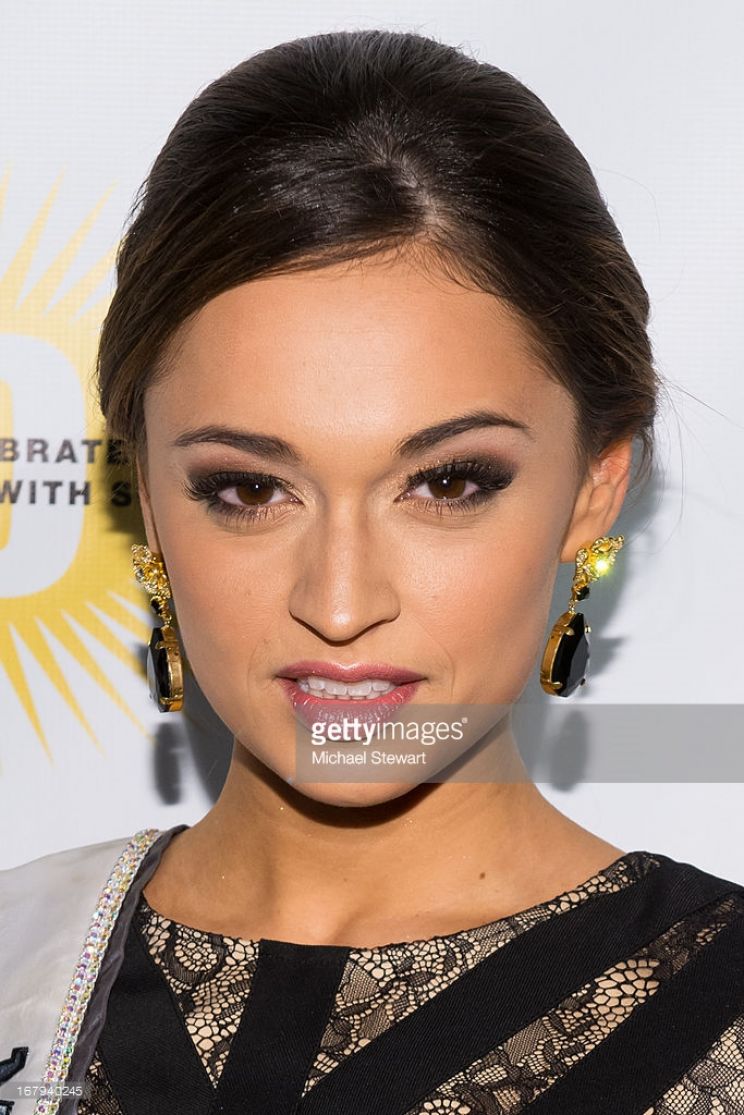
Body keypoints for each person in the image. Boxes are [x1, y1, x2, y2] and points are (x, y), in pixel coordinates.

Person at [1, 28, 742, 1115]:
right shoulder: (18, 965)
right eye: (248, 489)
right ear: (149, 497)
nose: (340, 604)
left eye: (447, 482)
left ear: (595, 486)